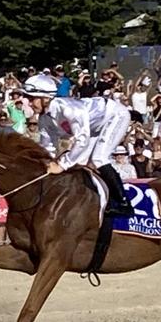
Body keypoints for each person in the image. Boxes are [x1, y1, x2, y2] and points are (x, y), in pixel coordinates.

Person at [21, 73, 134, 217]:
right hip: (94, 127)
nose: (28, 103)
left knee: (99, 158)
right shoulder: (44, 120)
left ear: (45, 98)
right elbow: (47, 147)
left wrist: (61, 165)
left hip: (115, 115)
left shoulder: (68, 109)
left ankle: (124, 204)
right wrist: (45, 165)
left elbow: (82, 139)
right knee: (81, 162)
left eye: (32, 98)